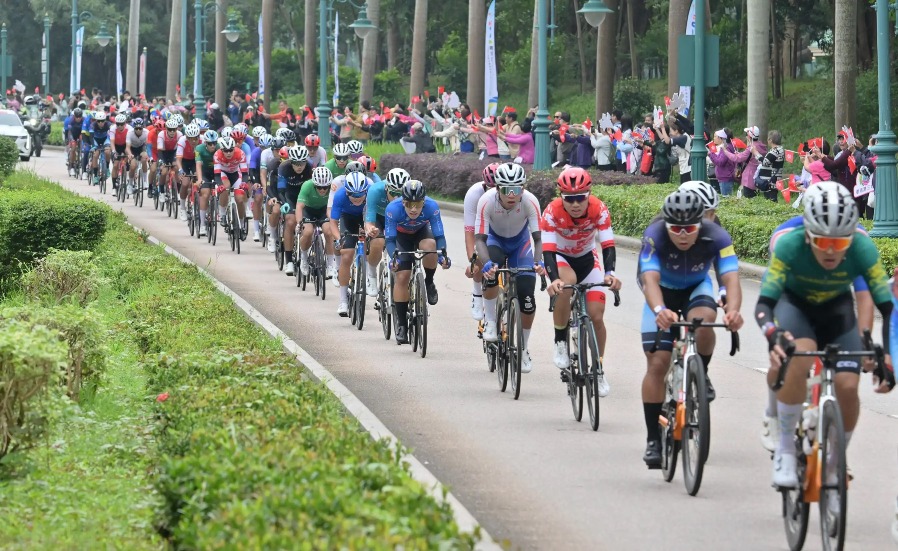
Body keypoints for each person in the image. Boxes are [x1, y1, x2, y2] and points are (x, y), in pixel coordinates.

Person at [759, 182, 894, 489]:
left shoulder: (861, 246)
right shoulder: (787, 242)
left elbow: (875, 302)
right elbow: (766, 302)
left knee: (848, 386)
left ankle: (837, 459)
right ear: (808, 233)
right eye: (822, 241)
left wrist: (876, 347)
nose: (831, 250)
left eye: (840, 242)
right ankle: (785, 450)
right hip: (795, 304)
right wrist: (773, 333)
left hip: (836, 309)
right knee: (799, 352)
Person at [638, 189, 743, 468]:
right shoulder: (654, 234)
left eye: (689, 228)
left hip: (696, 287)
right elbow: (649, 280)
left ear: (702, 224)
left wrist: (732, 311)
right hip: (661, 292)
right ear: (665, 225)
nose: (683, 234)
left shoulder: (717, 236)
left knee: (705, 318)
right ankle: (652, 439)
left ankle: (701, 373)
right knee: (657, 364)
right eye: (676, 228)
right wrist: (660, 311)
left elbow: (731, 278)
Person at [541, 167, 621, 397]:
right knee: (567, 283)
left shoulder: (599, 208)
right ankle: (560, 341)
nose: (575, 204)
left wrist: (611, 273)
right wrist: (554, 279)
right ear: (561, 197)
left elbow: (607, 244)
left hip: (588, 259)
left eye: (580, 198)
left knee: (596, 315)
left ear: (588, 195)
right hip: (560, 258)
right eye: (569, 199)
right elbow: (547, 250)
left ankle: (598, 369)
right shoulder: (551, 212)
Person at [474, 162, 546, 374]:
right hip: (495, 241)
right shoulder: (486, 201)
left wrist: (538, 261)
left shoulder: (530, 201)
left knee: (528, 298)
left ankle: (523, 348)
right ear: (497, 189)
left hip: (520, 244)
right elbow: (479, 239)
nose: (512, 195)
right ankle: (490, 320)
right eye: (507, 190)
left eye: (517, 189)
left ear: (523, 188)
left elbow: (539, 239)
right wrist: (486, 263)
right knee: (490, 274)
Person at [385, 180, 451, 343]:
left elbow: (439, 236)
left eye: (418, 204)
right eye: (409, 204)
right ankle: (401, 325)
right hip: (401, 238)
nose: (413, 209)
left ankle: (429, 282)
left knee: (430, 245)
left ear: (424, 201)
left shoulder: (432, 206)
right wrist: (394, 258)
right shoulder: (393, 209)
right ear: (403, 202)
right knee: (402, 276)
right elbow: (390, 240)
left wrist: (442, 256)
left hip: (422, 232)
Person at [329, 171, 372, 316]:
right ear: (347, 191)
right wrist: (337, 238)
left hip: (366, 216)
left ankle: (366, 274)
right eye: (353, 196)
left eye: (360, 195)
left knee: (369, 243)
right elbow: (333, 223)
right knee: (346, 255)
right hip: (347, 219)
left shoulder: (371, 193)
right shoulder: (340, 195)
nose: (357, 199)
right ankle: (343, 301)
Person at [463, 163, 500, 320]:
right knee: (478, 258)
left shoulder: (511, 193)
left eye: (496, 189)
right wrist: (472, 261)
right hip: (482, 229)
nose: (492, 193)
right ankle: (477, 294)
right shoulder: (474, 194)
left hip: (503, 228)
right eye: (488, 189)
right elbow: (470, 232)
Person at [364, 168, 409, 295]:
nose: (396, 198)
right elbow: (369, 219)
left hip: (396, 218)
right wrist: (370, 229)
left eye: (400, 194)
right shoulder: (375, 190)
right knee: (378, 242)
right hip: (378, 217)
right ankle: (371, 274)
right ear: (386, 188)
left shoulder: (409, 194)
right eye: (393, 193)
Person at [276, 145, 313, 276]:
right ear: (291, 162)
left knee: (309, 224)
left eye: (302, 163)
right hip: (290, 197)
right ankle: (289, 261)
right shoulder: (284, 167)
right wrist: (284, 203)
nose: (299, 166)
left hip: (304, 197)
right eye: (296, 163)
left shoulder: (309, 167)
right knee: (290, 221)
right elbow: (280, 190)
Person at [296, 166, 337, 277]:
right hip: (308, 210)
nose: (322, 190)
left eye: (325, 187)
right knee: (308, 232)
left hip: (324, 210)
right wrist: (299, 223)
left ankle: (330, 264)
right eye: (319, 187)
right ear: (314, 184)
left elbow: (335, 207)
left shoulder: (334, 187)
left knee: (329, 232)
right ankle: (304, 259)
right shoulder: (307, 186)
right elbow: (299, 206)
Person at [212, 135, 249, 234]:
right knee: (225, 187)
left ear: (234, 149)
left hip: (236, 174)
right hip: (223, 173)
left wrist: (244, 183)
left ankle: (241, 224)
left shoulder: (240, 153)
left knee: (240, 200)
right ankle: (223, 214)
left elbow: (245, 173)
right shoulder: (217, 155)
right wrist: (220, 185)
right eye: (225, 150)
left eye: (231, 150)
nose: (228, 153)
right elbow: (216, 175)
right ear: (221, 150)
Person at [194, 130, 219, 237]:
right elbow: (198, 165)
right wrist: (199, 179)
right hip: (204, 173)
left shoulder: (220, 148)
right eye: (210, 143)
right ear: (205, 143)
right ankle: (202, 224)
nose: (213, 146)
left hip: (216, 172)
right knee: (205, 193)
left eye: (214, 143)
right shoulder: (199, 148)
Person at [176, 123, 201, 221]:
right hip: (185, 161)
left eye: (195, 138)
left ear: (199, 136)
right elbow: (178, 160)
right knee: (185, 183)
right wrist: (180, 170)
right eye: (190, 138)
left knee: (197, 179)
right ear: (187, 137)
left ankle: (196, 201)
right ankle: (182, 208)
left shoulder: (203, 140)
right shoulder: (182, 140)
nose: (193, 141)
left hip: (196, 162)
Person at [125, 117, 149, 195]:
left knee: (144, 159)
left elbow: (148, 146)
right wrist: (130, 154)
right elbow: (127, 147)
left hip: (141, 148)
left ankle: (145, 181)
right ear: (134, 128)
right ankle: (130, 184)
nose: (138, 130)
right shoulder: (130, 133)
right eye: (137, 129)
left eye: (140, 128)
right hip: (132, 149)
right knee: (133, 166)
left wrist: (146, 153)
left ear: (142, 128)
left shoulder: (146, 133)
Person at [63, 108, 85, 176]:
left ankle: (81, 157)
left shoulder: (84, 119)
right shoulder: (71, 120)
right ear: (74, 116)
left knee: (83, 144)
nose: (78, 118)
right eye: (77, 117)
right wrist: (68, 139)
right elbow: (68, 131)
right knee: (73, 148)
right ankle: (72, 166)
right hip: (72, 134)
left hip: (80, 133)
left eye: (80, 116)